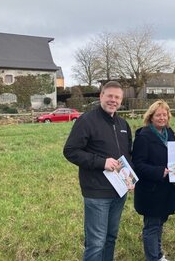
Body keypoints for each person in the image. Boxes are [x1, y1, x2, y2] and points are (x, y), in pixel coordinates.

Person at [63, 81, 132, 261]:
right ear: (101, 96)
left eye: (117, 97)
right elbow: (70, 151)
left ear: (121, 100)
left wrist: (130, 179)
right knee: (96, 242)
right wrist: (101, 163)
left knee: (111, 238)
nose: (113, 100)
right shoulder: (87, 120)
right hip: (96, 193)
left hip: (119, 192)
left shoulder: (123, 124)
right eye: (109, 96)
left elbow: (127, 156)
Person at [132, 100, 175, 261]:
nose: (162, 118)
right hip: (151, 190)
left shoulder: (170, 133)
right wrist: (158, 171)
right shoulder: (144, 136)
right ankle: (152, 257)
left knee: (160, 223)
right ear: (151, 117)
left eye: (165, 114)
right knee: (152, 226)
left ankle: (158, 254)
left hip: (167, 188)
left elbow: (174, 154)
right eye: (158, 115)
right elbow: (138, 165)